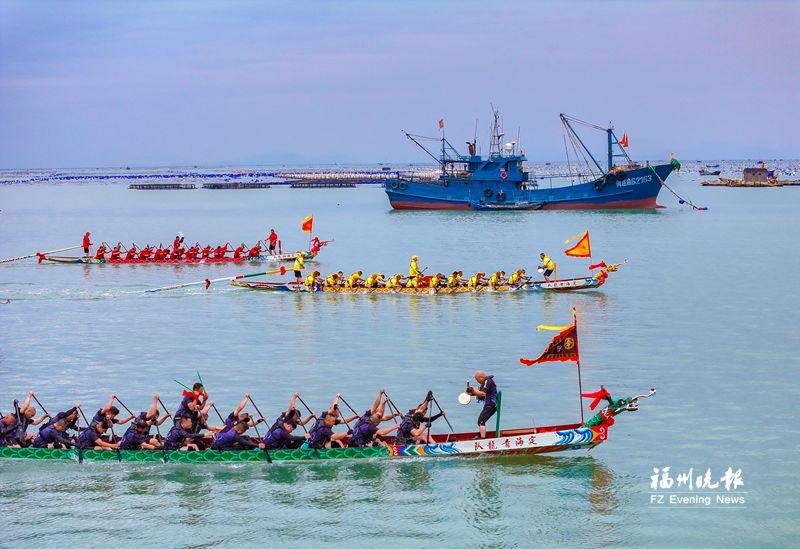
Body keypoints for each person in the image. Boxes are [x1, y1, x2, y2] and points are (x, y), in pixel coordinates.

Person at [466, 371, 498, 439]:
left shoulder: (488, 381)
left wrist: (473, 391)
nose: (477, 381)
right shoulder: (484, 383)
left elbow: (483, 394)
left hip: (491, 404)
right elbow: (480, 396)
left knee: (481, 421)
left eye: (477, 380)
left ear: (480, 377)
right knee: (480, 421)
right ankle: (481, 435)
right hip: (488, 404)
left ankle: (482, 439)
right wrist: (470, 393)